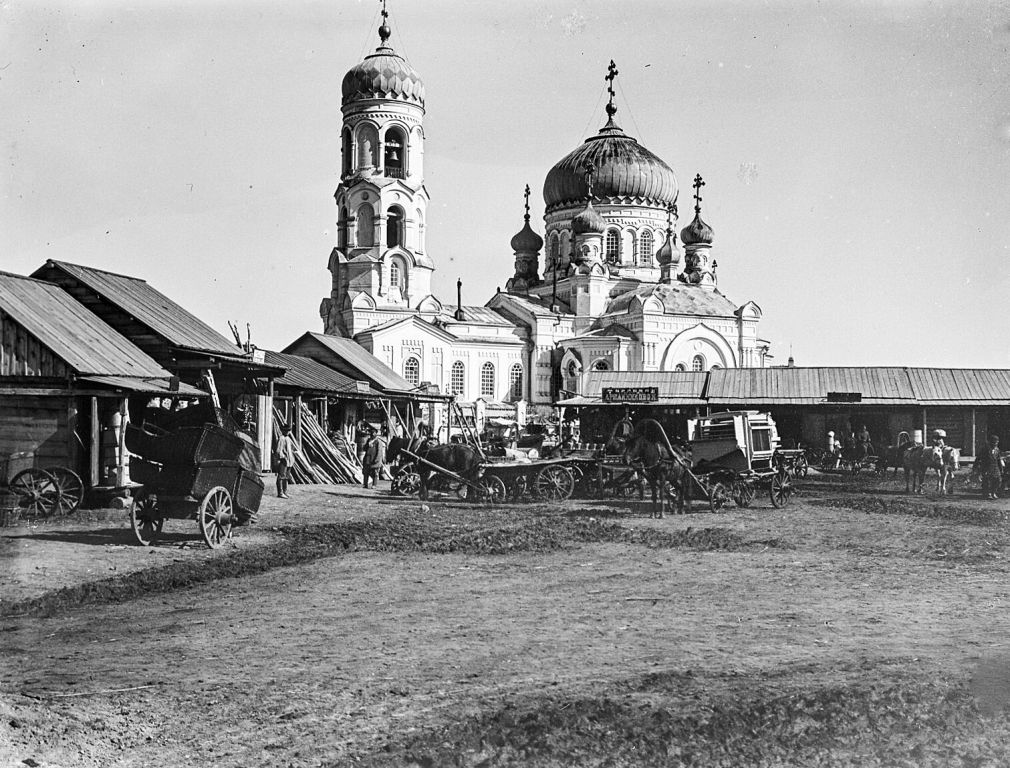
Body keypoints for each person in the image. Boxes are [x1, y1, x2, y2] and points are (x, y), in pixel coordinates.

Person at [977, 434, 1004, 500]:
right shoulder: (985, 449)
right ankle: (987, 494)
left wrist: (1001, 469)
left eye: (996, 442)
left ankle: (993, 492)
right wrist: (977, 468)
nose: (995, 444)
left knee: (998, 480)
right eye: (994, 442)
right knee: (987, 481)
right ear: (990, 442)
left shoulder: (997, 450)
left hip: (995, 467)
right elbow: (978, 458)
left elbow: (999, 460)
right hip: (987, 467)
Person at [274, 424, 296, 499]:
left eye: (289, 431)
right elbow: (278, 450)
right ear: (283, 431)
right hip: (284, 461)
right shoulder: (281, 438)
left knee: (286, 477)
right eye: (286, 430)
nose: (288, 432)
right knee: (281, 476)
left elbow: (291, 449)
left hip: (289, 461)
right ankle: (280, 492)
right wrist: (283, 457)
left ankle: (285, 491)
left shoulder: (288, 439)